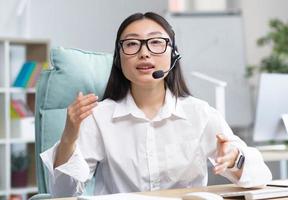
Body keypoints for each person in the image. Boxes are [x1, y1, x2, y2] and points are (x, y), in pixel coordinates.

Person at [41, 12, 272, 197]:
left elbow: (262, 176)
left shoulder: (199, 113)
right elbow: (63, 193)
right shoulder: (99, 117)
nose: (144, 53)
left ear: (173, 54)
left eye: (156, 43)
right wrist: (69, 137)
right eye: (132, 44)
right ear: (119, 58)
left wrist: (235, 158)